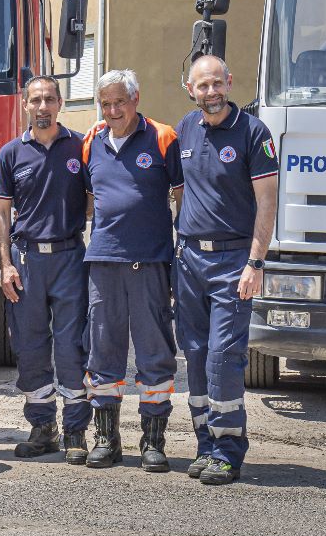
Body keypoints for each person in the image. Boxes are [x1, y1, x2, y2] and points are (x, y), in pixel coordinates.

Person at [174, 55, 278, 485]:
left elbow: (267, 202)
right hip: (190, 259)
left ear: (230, 82)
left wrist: (255, 262)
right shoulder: (185, 129)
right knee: (195, 354)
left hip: (234, 261)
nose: (211, 92)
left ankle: (228, 451)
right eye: (203, 86)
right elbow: (178, 192)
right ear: (190, 89)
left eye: (218, 83)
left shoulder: (254, 133)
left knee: (223, 356)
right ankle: (205, 444)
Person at [80, 70, 182, 472]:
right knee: (104, 352)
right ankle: (106, 438)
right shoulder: (91, 141)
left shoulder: (162, 137)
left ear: (135, 99)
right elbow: (88, 200)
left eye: (119, 101)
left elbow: (181, 195)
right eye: (105, 103)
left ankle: (153, 442)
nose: (112, 110)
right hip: (103, 263)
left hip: (150, 262)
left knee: (155, 352)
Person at [0, 76, 91, 462]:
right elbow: (1, 214)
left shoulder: (81, 146)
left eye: (49, 99)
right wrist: (4, 265)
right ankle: (42, 426)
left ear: (60, 102)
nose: (43, 106)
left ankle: (76, 432)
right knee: (30, 347)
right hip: (26, 262)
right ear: (26, 105)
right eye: (36, 100)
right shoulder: (11, 153)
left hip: (69, 258)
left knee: (71, 347)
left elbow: (92, 201)